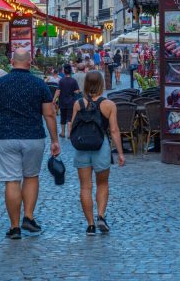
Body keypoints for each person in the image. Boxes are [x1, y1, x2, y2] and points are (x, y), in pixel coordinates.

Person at [0, 48, 61, 239]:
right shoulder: (39, 84)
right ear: (30, 61)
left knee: (12, 180)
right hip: (33, 137)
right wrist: (55, 140)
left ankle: (14, 227)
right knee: (31, 176)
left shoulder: (1, 84)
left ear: (11, 61)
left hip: (5, 137)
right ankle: (29, 217)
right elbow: (49, 114)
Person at [70, 71, 126, 235]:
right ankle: (101, 215)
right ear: (101, 84)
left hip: (82, 148)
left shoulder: (78, 104)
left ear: (86, 84)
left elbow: (73, 127)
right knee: (102, 184)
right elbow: (114, 130)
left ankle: (90, 225)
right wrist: (120, 153)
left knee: (85, 187)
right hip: (100, 146)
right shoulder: (108, 104)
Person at [53, 64, 80, 139]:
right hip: (71, 102)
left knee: (63, 117)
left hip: (62, 102)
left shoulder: (61, 81)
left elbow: (58, 91)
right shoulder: (73, 81)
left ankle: (62, 133)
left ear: (64, 72)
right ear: (71, 72)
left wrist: (54, 100)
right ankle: (69, 133)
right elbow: (77, 91)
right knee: (69, 117)